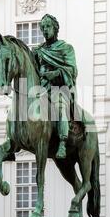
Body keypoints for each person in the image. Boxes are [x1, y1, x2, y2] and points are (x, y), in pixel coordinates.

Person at [33, 14, 78, 159]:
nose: (45, 30)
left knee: (60, 107)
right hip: (41, 88)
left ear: (55, 28)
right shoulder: (38, 51)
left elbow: (72, 70)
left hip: (59, 88)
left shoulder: (66, 48)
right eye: (43, 27)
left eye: (48, 26)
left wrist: (56, 73)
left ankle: (63, 143)